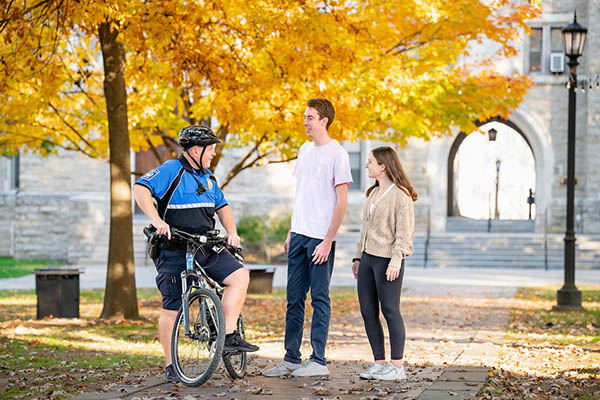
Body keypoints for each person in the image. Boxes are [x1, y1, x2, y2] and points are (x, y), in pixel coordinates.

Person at [133, 125, 259, 383]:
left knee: (239, 277)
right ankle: (171, 365)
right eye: (210, 150)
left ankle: (228, 334)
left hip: (205, 244)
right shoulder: (171, 170)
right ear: (196, 150)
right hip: (174, 247)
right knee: (171, 307)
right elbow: (140, 188)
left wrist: (232, 232)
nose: (213, 154)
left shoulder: (209, 178)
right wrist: (157, 220)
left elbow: (222, 206)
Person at [263, 98, 353, 378]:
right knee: (293, 299)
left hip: (320, 239)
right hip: (299, 236)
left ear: (324, 120)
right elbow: (301, 194)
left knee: (320, 298)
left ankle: (318, 360)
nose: (305, 122)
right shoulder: (304, 150)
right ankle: (291, 358)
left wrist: (328, 240)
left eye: (310, 117)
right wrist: (292, 230)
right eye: (305, 117)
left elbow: (341, 202)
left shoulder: (338, 154)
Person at [351, 146, 417, 381]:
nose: (366, 165)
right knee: (368, 311)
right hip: (368, 258)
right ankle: (380, 363)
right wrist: (358, 257)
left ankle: (397, 367)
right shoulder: (372, 193)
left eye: (370, 162)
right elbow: (365, 230)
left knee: (390, 311)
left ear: (383, 166)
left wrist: (396, 261)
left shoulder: (401, 195)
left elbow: (404, 233)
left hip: (388, 261)